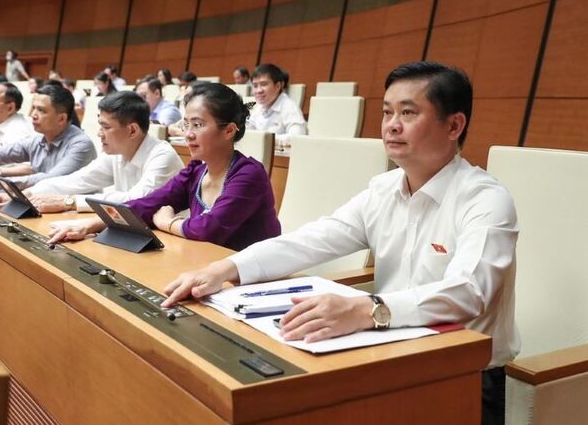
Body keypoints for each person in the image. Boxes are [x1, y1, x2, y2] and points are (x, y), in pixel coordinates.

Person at [161, 61, 518, 424]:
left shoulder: (484, 199)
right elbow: (311, 240)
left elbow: (469, 292)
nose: (391, 124)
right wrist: (226, 267)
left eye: (408, 113)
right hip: (387, 352)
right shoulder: (383, 190)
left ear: (454, 125)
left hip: (465, 374)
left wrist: (367, 309)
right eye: (387, 112)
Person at [48, 83, 280, 251]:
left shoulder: (249, 174)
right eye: (186, 124)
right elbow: (149, 203)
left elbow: (209, 229)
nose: (188, 134)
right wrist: (90, 226)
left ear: (229, 130)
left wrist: (167, 223)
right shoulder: (197, 169)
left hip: (252, 279)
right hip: (206, 267)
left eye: (198, 125)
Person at [0, 91, 183, 213]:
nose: (99, 133)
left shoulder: (162, 155)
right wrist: (21, 195)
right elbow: (76, 181)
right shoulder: (115, 153)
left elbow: (136, 200)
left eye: (106, 127)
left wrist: (69, 202)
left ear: (132, 130)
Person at [248, 63, 306, 147]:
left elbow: (297, 137)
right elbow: (247, 131)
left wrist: (266, 140)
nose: (258, 90)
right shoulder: (257, 107)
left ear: (278, 86)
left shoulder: (289, 106)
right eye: (255, 86)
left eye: (263, 84)